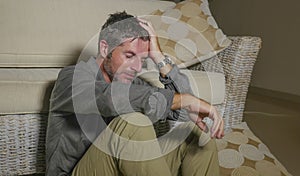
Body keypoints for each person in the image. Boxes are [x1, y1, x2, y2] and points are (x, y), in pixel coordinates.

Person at [46, 11, 224, 176]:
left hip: (123, 168)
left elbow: (184, 113)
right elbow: (109, 98)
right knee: (133, 123)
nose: (137, 68)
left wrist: (159, 57)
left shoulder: (133, 83)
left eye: (143, 60)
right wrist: (182, 100)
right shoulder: (71, 78)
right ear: (105, 48)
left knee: (195, 134)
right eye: (129, 56)